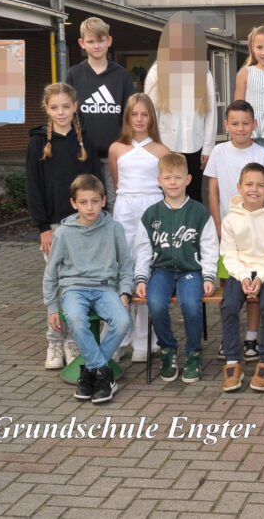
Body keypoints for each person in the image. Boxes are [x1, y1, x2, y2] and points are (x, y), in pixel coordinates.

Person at [26, 82, 102, 370]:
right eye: (55, 107)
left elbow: (96, 186)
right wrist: (43, 227)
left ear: (75, 107)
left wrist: (98, 222)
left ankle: (72, 341)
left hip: (84, 226)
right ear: (47, 109)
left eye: (66, 107)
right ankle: (54, 343)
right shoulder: (37, 144)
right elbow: (34, 188)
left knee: (77, 285)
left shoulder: (86, 144)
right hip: (55, 228)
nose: (61, 112)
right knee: (56, 285)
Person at [43, 174, 133, 404]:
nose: (90, 207)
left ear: (103, 200)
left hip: (105, 289)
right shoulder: (64, 232)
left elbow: (126, 265)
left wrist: (125, 292)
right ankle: (103, 374)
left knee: (123, 321)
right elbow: (51, 272)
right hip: (74, 289)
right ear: (74, 203)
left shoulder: (114, 228)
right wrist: (52, 307)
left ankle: (91, 373)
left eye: (94, 201)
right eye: (83, 202)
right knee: (76, 319)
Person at [132, 153, 218, 384]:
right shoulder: (151, 214)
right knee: (155, 303)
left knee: (191, 305)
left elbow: (210, 247)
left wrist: (209, 276)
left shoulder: (199, 212)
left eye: (178, 178)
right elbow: (143, 250)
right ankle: (168, 349)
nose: (173, 183)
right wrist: (141, 278)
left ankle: (193, 354)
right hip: (162, 270)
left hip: (191, 271)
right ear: (159, 180)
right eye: (168, 178)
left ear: (188, 179)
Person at [205, 100, 264, 362]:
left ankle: (251, 337)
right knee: (229, 286)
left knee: (255, 286)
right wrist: (217, 223)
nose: (240, 128)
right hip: (229, 230)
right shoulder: (219, 152)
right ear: (226, 125)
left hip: (257, 234)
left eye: (246, 123)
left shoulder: (262, 154)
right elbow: (213, 190)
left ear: (254, 124)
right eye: (234, 123)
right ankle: (229, 337)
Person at [109, 93, 170, 363]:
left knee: (148, 271)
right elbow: (117, 182)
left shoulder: (162, 150)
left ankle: (145, 339)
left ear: (152, 118)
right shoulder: (116, 148)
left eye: (144, 114)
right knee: (123, 270)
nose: (139, 119)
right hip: (125, 209)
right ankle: (120, 337)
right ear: (127, 118)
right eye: (134, 114)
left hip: (152, 207)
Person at [220, 163, 264, 392]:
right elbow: (229, 255)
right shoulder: (230, 219)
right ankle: (232, 362)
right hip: (240, 272)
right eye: (249, 184)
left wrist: (260, 277)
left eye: (260, 185)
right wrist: (243, 277)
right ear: (239, 187)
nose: (254, 190)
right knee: (229, 305)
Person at [66, 17, 137, 212]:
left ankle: (114, 233)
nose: (96, 46)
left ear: (109, 41)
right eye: (90, 41)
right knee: (88, 203)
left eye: (101, 40)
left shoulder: (122, 76)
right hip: (84, 154)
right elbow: (68, 113)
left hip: (115, 154)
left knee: (114, 202)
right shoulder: (74, 74)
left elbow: (130, 115)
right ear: (82, 43)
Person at [144, 11, 216, 203]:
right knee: (166, 196)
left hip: (195, 147)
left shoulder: (204, 72)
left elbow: (211, 112)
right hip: (166, 146)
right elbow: (150, 114)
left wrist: (208, 148)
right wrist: (153, 146)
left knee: (193, 197)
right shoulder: (157, 71)